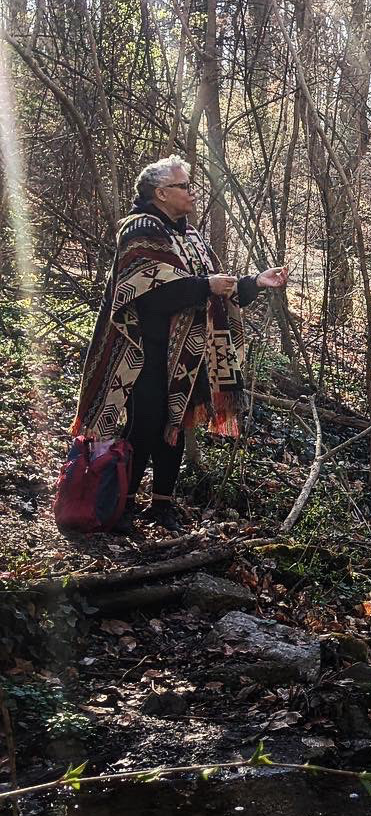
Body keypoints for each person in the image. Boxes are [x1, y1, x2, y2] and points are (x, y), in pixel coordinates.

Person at [71, 156, 287, 533]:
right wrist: (205, 286)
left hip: (186, 356)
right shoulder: (139, 231)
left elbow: (216, 291)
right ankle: (120, 507)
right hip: (143, 353)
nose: (192, 191)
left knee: (175, 426)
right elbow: (149, 295)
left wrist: (255, 282)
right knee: (144, 428)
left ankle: (162, 507)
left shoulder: (189, 236)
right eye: (184, 185)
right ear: (161, 193)